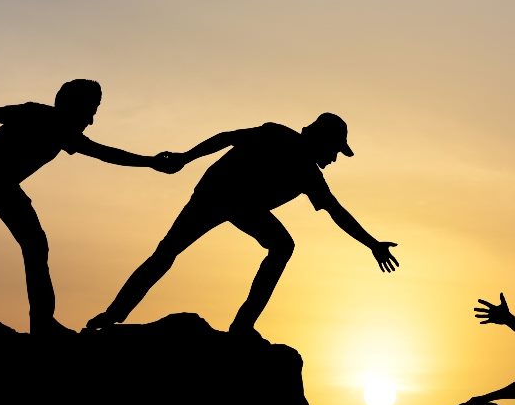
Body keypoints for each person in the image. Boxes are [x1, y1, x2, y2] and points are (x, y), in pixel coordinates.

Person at [85, 113, 399, 339]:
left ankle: (242, 326)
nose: (334, 157)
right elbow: (228, 138)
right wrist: (186, 157)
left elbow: (336, 212)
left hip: (243, 205)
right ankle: (114, 315)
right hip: (214, 193)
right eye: (334, 150)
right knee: (166, 254)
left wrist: (372, 244)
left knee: (281, 246)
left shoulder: (309, 175)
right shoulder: (277, 134)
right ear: (321, 140)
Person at [0, 79, 178, 336]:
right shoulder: (36, 114)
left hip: (2, 185)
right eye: (91, 109)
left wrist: (149, 162)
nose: (91, 119)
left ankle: (37, 321)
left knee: (14, 246)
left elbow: (103, 153)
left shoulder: (64, 131)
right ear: (72, 105)